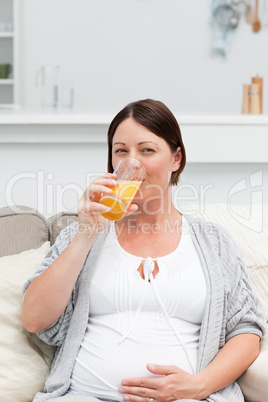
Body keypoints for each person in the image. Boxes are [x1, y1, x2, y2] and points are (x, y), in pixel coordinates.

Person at [22, 99, 266, 402]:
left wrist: (199, 385)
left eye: (147, 150)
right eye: (121, 151)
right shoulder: (82, 233)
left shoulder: (212, 242)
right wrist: (86, 235)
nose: (131, 163)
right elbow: (34, 319)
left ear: (176, 159)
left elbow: (245, 329)